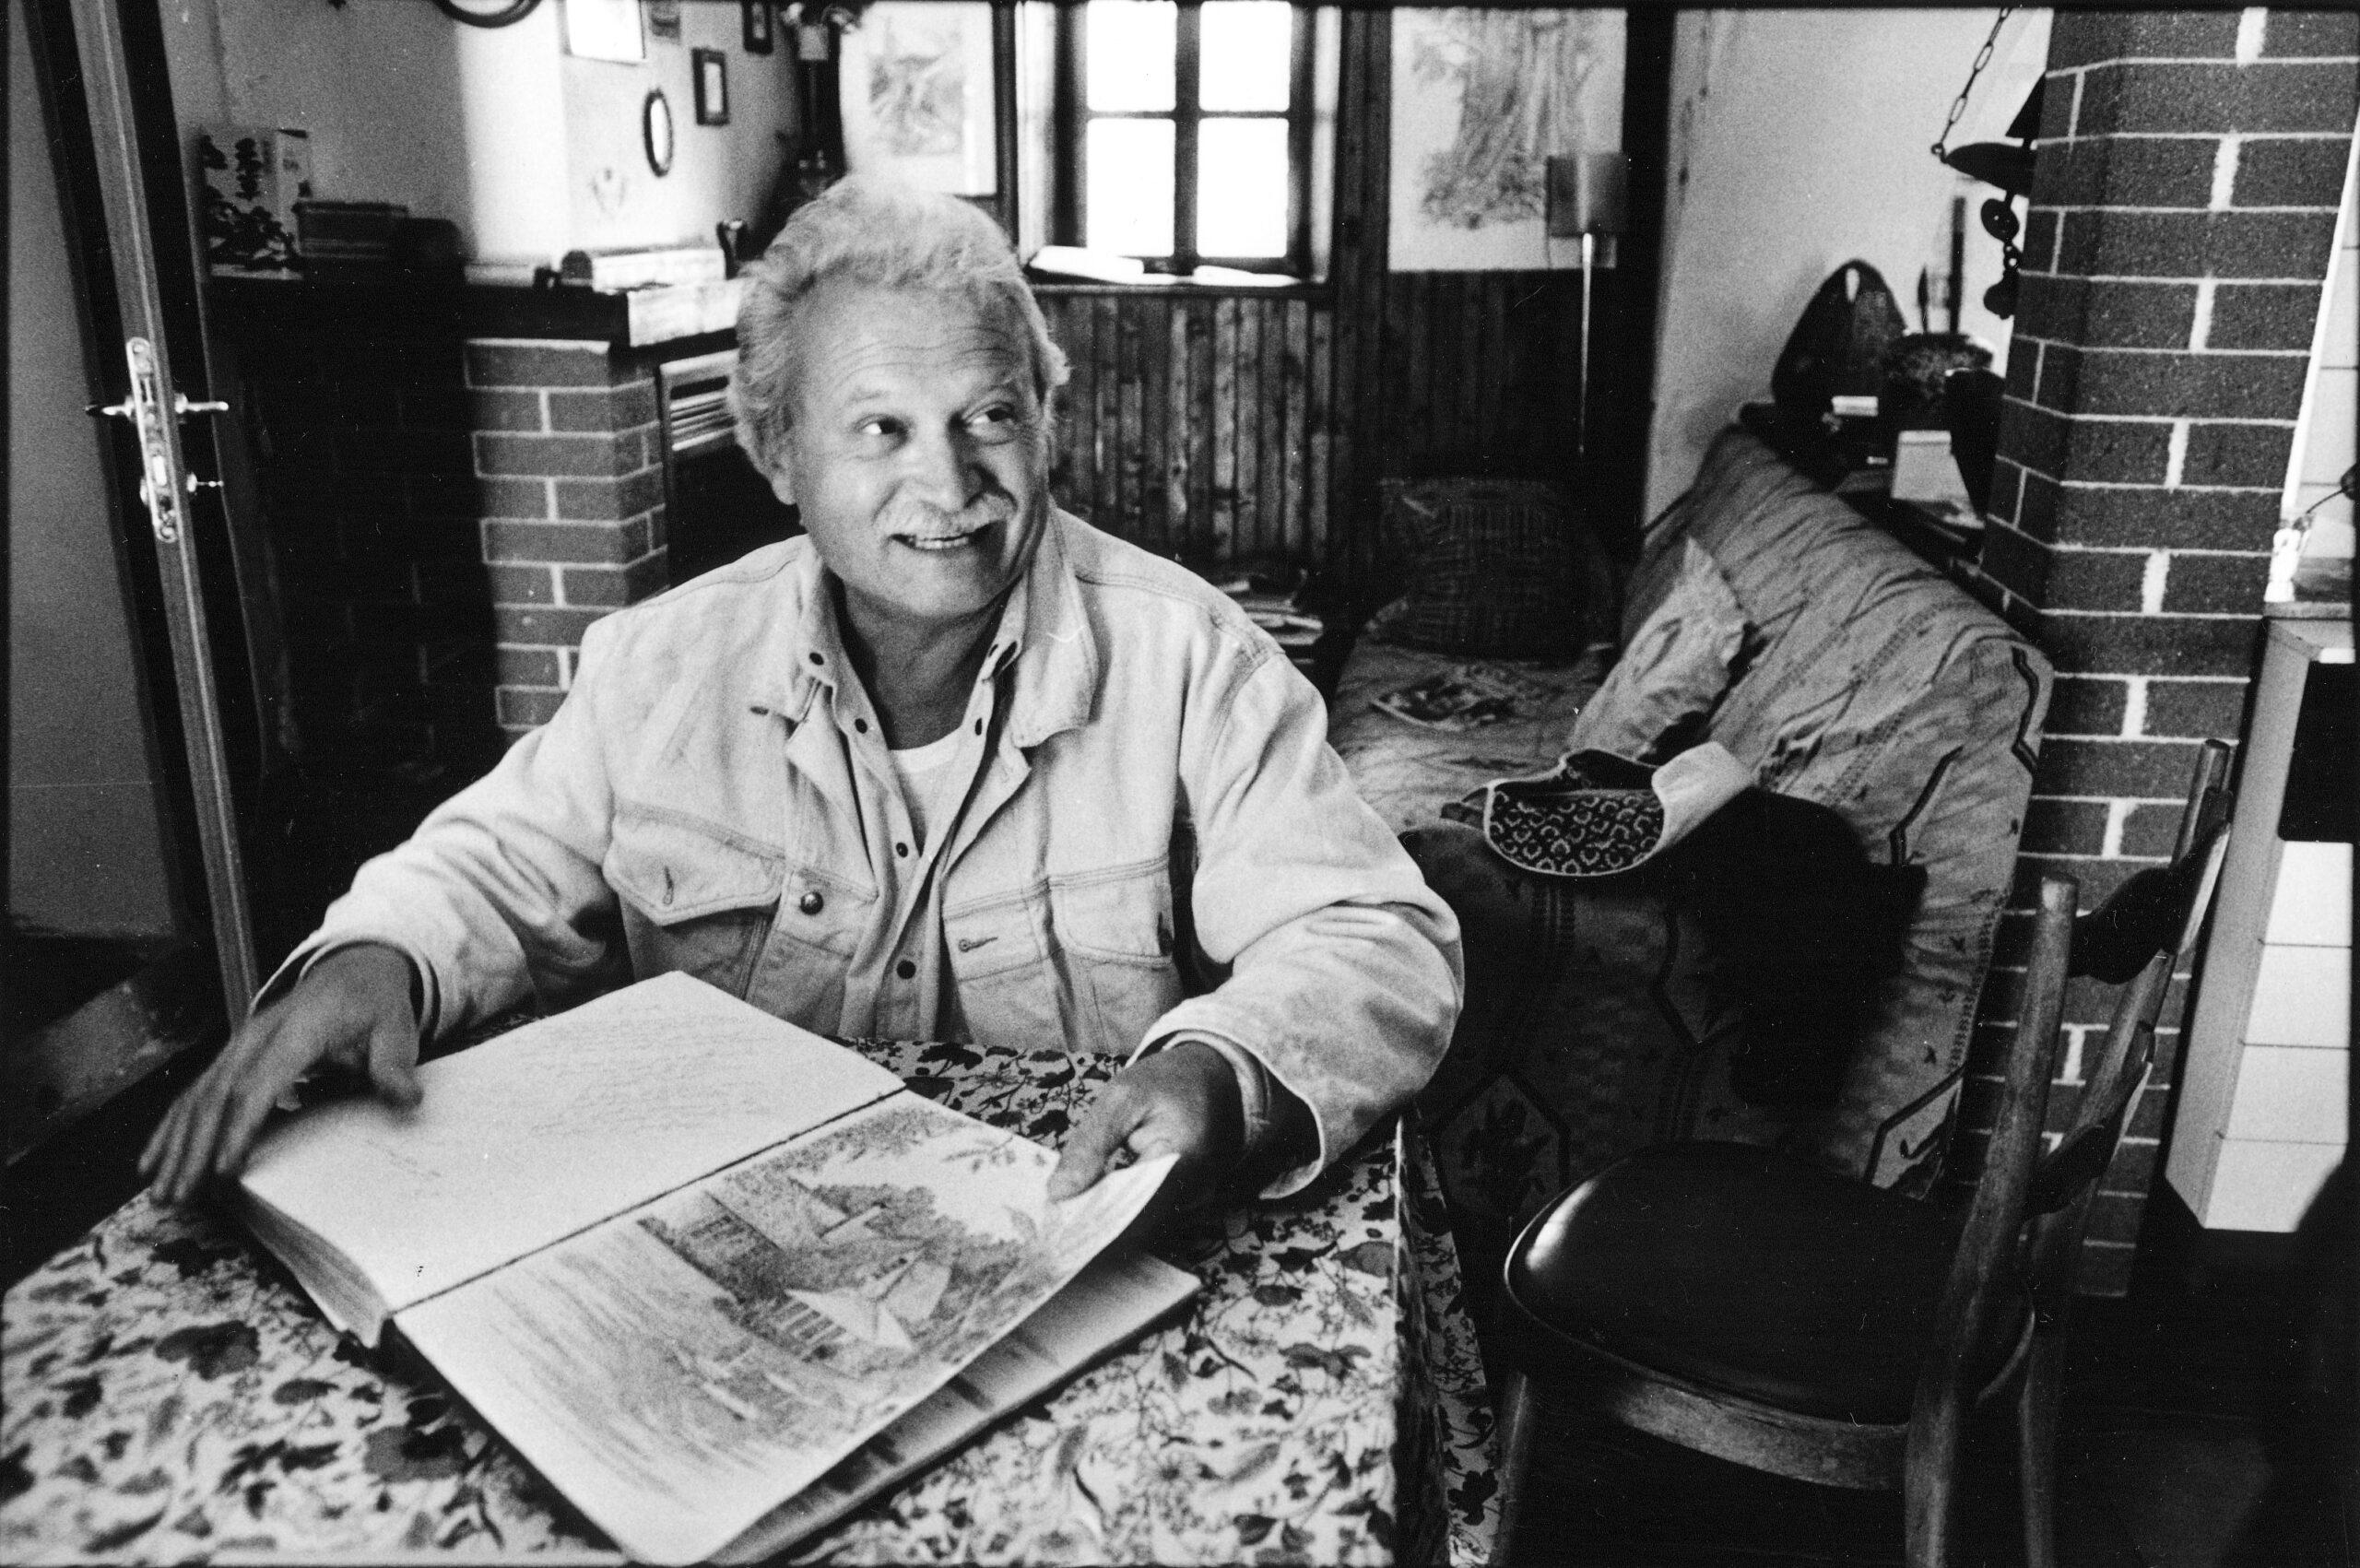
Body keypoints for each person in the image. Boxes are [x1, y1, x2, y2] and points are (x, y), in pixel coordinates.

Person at [142, 177, 1462, 1230]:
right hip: (729, 1252)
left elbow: (1375, 937)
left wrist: (1222, 1070)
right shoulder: (659, 666)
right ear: (777, 453)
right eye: (881, 429)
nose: (949, 485)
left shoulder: (1194, 660)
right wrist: (377, 958)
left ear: (1047, 422)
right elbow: (489, 867)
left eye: (990, 416)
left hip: (1066, 1249)